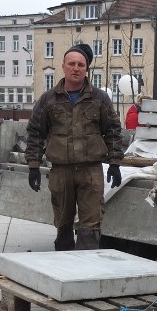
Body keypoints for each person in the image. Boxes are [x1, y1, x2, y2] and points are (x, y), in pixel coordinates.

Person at [25, 43, 124, 250]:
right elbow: (35, 132)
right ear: (63, 66)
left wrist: (115, 163)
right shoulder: (48, 99)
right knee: (63, 225)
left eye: (81, 64)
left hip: (90, 172)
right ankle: (64, 271)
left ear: (86, 68)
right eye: (71, 64)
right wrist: (33, 166)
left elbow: (113, 130)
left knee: (91, 227)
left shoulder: (99, 98)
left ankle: (85, 273)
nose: (76, 68)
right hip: (61, 172)